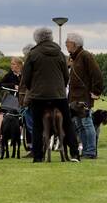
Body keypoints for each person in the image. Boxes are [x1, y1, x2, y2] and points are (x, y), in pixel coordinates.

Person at [22, 27, 79, 163]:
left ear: (37, 38)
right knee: (67, 124)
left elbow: (26, 77)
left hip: (39, 95)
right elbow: (66, 75)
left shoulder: (33, 54)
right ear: (51, 37)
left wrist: (33, 89)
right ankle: (75, 154)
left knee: (37, 126)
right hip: (58, 95)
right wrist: (60, 88)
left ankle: (38, 156)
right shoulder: (59, 54)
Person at [66, 33, 104, 159]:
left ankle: (91, 151)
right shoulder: (74, 58)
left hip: (84, 97)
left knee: (87, 123)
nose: (66, 44)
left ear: (75, 44)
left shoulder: (85, 56)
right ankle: (86, 150)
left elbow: (97, 74)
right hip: (74, 97)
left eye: (68, 42)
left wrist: (96, 91)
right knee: (79, 125)